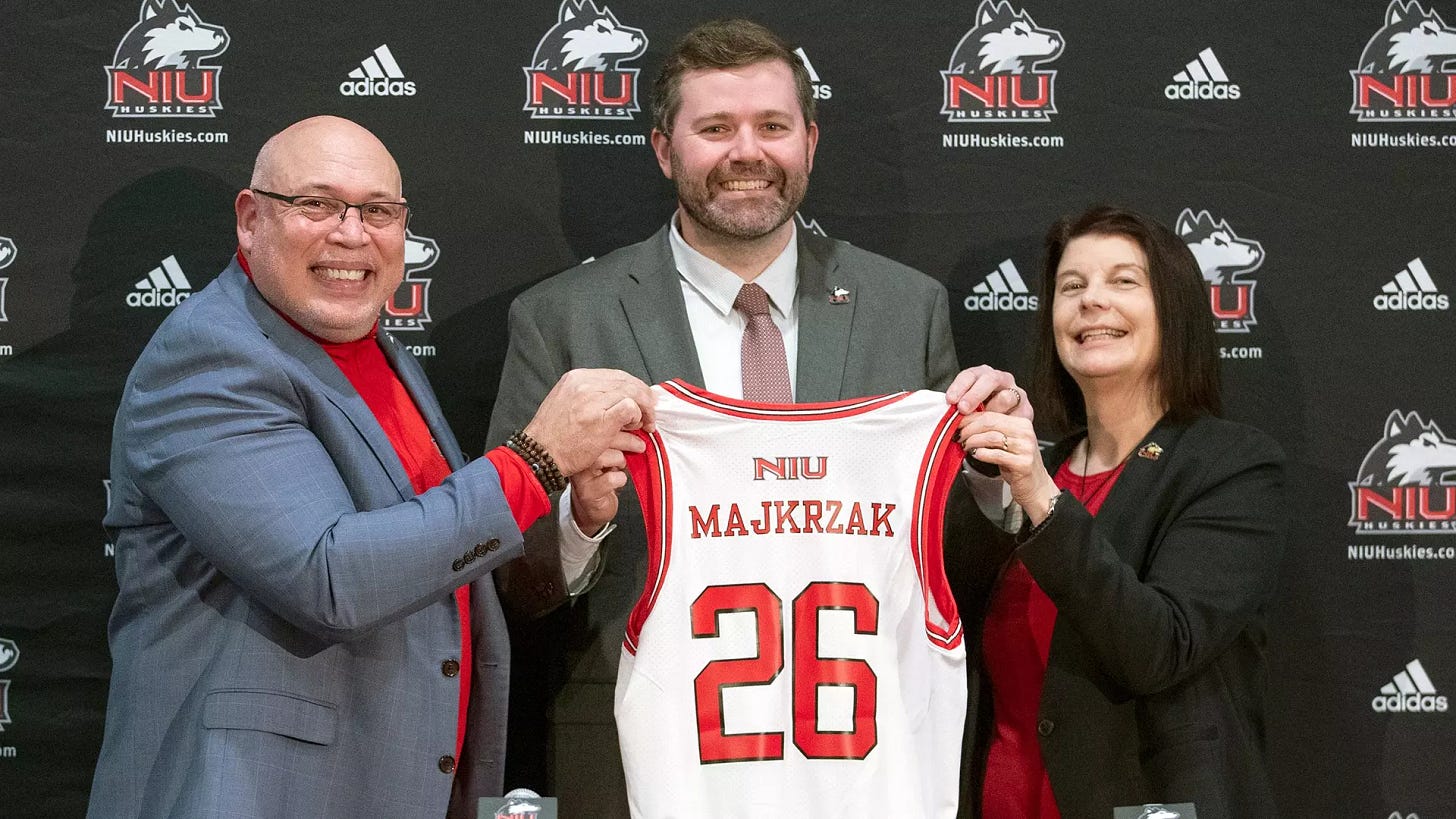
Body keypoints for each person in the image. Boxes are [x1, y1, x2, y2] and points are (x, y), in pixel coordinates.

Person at [486, 18, 1026, 817]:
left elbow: (949, 564)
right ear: (665, 150)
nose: (748, 152)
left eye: (773, 126)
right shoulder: (564, 319)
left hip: (864, 751)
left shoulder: (905, 309)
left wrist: (990, 476)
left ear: (809, 141)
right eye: (715, 128)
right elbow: (508, 578)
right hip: (645, 756)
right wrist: (581, 520)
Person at [87, 115, 654, 819]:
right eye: (317, 204)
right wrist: (535, 460)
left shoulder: (375, 350)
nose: (352, 234)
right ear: (250, 219)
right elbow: (329, 576)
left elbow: (441, 562)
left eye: (379, 211)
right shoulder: (207, 361)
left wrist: (572, 512)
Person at [953, 205, 1288, 818]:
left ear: (1175, 311)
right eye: (1071, 287)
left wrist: (1036, 494)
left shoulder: (1232, 465)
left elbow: (1157, 647)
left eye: (1124, 282)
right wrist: (986, 476)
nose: (1091, 302)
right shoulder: (1036, 469)